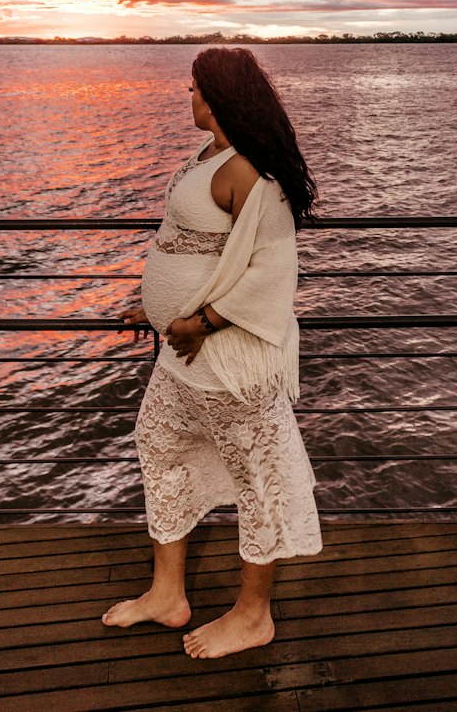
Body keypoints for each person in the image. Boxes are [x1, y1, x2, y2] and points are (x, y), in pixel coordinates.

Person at [102, 46, 322, 659]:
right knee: (160, 443)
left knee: (260, 481)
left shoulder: (251, 171)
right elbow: (191, 247)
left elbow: (272, 271)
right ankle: (167, 594)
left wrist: (202, 321)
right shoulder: (209, 155)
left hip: (229, 361)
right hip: (184, 357)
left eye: (195, 88)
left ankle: (254, 616)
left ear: (220, 94)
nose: (188, 97)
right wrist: (151, 308)